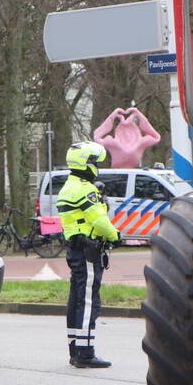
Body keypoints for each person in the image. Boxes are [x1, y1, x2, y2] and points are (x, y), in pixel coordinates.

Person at [57, 141, 121, 368]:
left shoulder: (68, 186)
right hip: (88, 251)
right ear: (86, 164)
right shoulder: (86, 189)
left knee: (75, 300)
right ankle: (85, 354)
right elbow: (100, 221)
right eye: (95, 162)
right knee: (87, 302)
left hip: (75, 249)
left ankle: (75, 350)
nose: (97, 167)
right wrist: (116, 236)